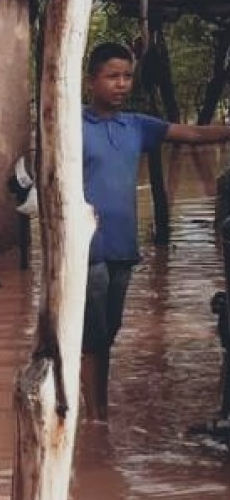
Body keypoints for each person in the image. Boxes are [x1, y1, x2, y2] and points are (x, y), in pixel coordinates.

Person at [81, 42, 230, 421]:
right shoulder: (70, 125)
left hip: (123, 248)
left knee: (110, 331)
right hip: (85, 249)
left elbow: (194, 135)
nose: (121, 84)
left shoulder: (137, 126)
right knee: (91, 336)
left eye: (127, 76)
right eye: (112, 76)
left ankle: (97, 409)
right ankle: (93, 415)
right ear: (90, 81)